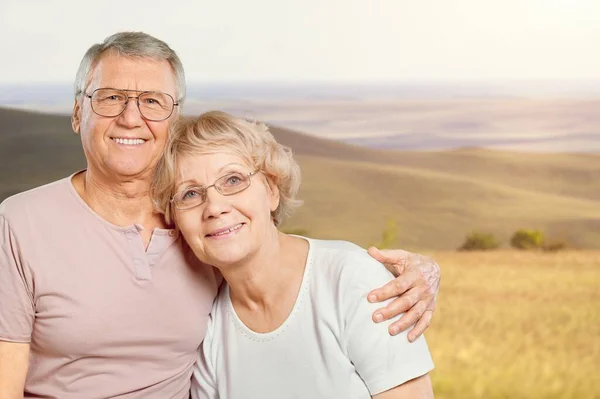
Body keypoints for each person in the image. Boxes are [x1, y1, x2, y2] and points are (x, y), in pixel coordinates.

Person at [0, 32, 440, 398]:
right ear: (79, 112)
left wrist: (416, 274)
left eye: (152, 101)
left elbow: (297, 270)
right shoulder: (20, 225)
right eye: (111, 97)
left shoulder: (206, 237)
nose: (131, 117)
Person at [152, 111, 435, 398]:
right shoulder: (210, 332)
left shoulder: (354, 280)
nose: (214, 207)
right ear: (174, 219)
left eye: (233, 180)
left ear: (272, 191)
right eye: (189, 194)